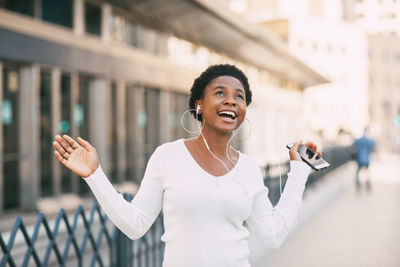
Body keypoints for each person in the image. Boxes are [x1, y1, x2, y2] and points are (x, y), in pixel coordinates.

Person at [53, 64, 321, 267]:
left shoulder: (249, 168)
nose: (231, 100)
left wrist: (299, 172)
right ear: (199, 105)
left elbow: (273, 235)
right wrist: (94, 175)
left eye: (239, 97)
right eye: (220, 93)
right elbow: (135, 225)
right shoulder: (167, 156)